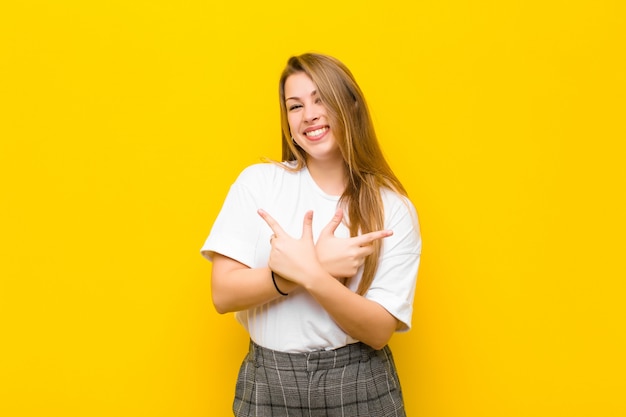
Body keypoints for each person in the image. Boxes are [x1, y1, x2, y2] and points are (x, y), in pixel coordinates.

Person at [200, 53, 422, 417]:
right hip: (268, 381)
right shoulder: (259, 183)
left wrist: (313, 275)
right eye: (295, 106)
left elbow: (379, 330)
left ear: (350, 106)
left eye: (321, 99)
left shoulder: (392, 207)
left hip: (358, 380)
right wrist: (315, 264)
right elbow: (223, 294)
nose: (309, 115)